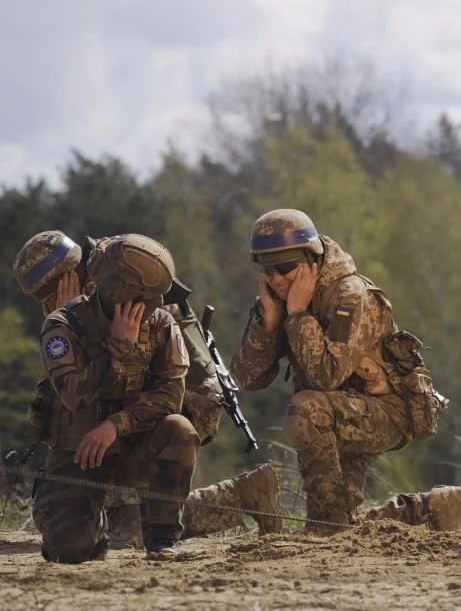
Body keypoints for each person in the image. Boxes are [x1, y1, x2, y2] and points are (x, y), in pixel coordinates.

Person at [11, 231, 283, 548]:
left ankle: (240, 498)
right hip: (138, 408)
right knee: (86, 520)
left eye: (47, 296)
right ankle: (236, 497)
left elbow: (123, 383)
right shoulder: (100, 275)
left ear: (67, 277)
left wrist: (80, 329)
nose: (46, 306)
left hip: (175, 406)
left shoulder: (117, 284)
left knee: (124, 532)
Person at [230, 209, 461, 533]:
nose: (276, 278)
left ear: (310, 258)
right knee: (346, 521)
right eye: (266, 268)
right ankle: (431, 507)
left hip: (386, 410)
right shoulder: (278, 300)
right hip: (339, 413)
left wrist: (299, 314)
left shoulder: (349, 294)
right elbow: (247, 379)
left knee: (306, 408)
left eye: (285, 266)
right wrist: (269, 324)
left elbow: (326, 376)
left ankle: (325, 527)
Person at [28, 233, 196, 561]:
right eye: (149, 297)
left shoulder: (162, 324)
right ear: (119, 291)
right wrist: (117, 347)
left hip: (134, 448)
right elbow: (73, 395)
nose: (157, 305)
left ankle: (163, 535)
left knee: (180, 429)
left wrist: (116, 425)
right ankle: (86, 519)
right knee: (67, 550)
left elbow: (171, 395)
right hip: (80, 454)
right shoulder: (63, 324)